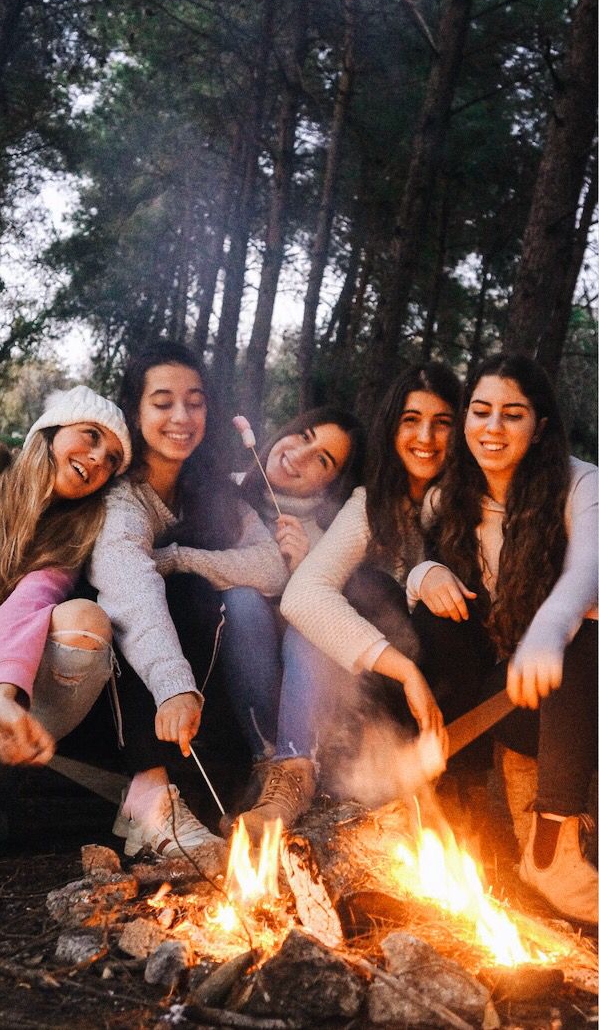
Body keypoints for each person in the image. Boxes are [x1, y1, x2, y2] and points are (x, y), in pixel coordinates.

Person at [407, 354, 598, 925]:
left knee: (588, 628)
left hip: (579, 686)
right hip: (502, 698)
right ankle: (450, 797)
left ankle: (552, 848)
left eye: (512, 415)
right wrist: (423, 576)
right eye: (480, 411)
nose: (492, 428)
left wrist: (549, 627)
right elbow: (398, 572)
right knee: (437, 615)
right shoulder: (448, 499)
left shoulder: (581, 485)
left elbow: (589, 565)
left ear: (539, 428)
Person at [234, 362, 460, 840]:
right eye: (410, 419)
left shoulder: (471, 504)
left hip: (444, 685)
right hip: (377, 690)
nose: (425, 436)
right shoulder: (368, 504)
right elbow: (306, 596)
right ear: (392, 428)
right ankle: (288, 774)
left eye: (442, 422)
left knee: (368, 594)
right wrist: (407, 670)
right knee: (340, 602)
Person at [87, 340, 291, 860]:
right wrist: (174, 685)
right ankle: (148, 795)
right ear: (135, 410)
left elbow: (270, 565)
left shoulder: (213, 488)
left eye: (195, 401)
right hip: (112, 676)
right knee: (161, 594)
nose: (182, 416)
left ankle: (255, 771)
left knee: (203, 586)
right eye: (162, 402)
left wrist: (179, 557)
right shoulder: (120, 496)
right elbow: (131, 593)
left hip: (191, 691)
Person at [0, 385, 132, 854]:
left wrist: (0, 694)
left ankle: (5, 761)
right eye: (90, 436)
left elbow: (27, 607)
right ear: (50, 431)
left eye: (113, 460)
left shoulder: (67, 540)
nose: (99, 459)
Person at [217, 407, 366, 831]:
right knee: (242, 600)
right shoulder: (223, 494)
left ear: (332, 483)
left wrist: (304, 573)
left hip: (313, 704)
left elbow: (340, 633)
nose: (300, 454)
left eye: (322, 459)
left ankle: (294, 774)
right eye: (304, 436)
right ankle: (267, 768)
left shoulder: (329, 537)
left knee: (314, 611)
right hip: (233, 695)